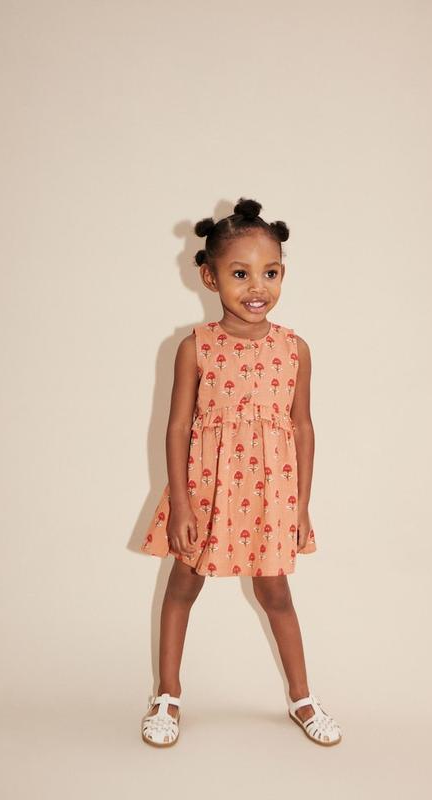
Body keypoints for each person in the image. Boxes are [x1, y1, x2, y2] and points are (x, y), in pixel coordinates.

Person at [140, 197, 342, 748]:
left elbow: (302, 428)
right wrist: (181, 505)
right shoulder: (195, 348)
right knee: (184, 585)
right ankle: (167, 694)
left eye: (270, 273)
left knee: (276, 593)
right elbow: (177, 428)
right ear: (210, 277)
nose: (257, 287)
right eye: (240, 273)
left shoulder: (295, 349)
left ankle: (302, 698)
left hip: (270, 494)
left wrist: (301, 505)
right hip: (205, 491)